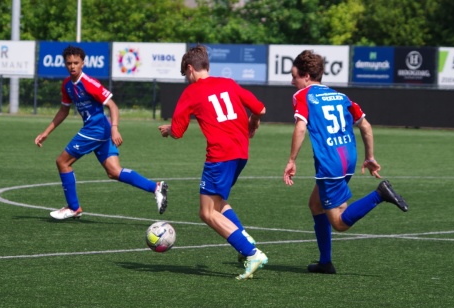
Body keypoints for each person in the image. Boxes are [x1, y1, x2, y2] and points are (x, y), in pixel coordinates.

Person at [283, 50, 408, 274]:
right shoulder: (341, 97)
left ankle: (380, 194)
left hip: (330, 164)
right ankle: (325, 263)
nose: (292, 81)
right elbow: (366, 126)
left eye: (295, 76)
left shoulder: (302, 96)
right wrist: (370, 157)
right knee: (315, 205)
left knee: (339, 223)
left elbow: (300, 127)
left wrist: (292, 160)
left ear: (307, 77)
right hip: (348, 159)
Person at [158, 45, 268, 280]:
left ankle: (251, 253)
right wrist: (253, 122)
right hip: (241, 154)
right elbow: (260, 108)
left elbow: (178, 132)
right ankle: (245, 238)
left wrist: (169, 130)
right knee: (218, 203)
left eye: (185, 75)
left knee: (207, 213)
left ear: (190, 68)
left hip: (219, 156)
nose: (187, 80)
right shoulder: (228, 83)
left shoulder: (191, 92)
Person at [35, 45, 168, 220]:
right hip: (98, 129)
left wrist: (114, 129)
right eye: (69, 63)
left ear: (83, 63)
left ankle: (73, 207)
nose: (72, 66)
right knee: (114, 171)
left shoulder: (90, 83)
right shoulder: (67, 85)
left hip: (97, 129)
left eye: (76, 62)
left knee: (62, 162)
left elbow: (112, 106)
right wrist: (46, 132)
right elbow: (63, 110)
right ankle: (156, 187)